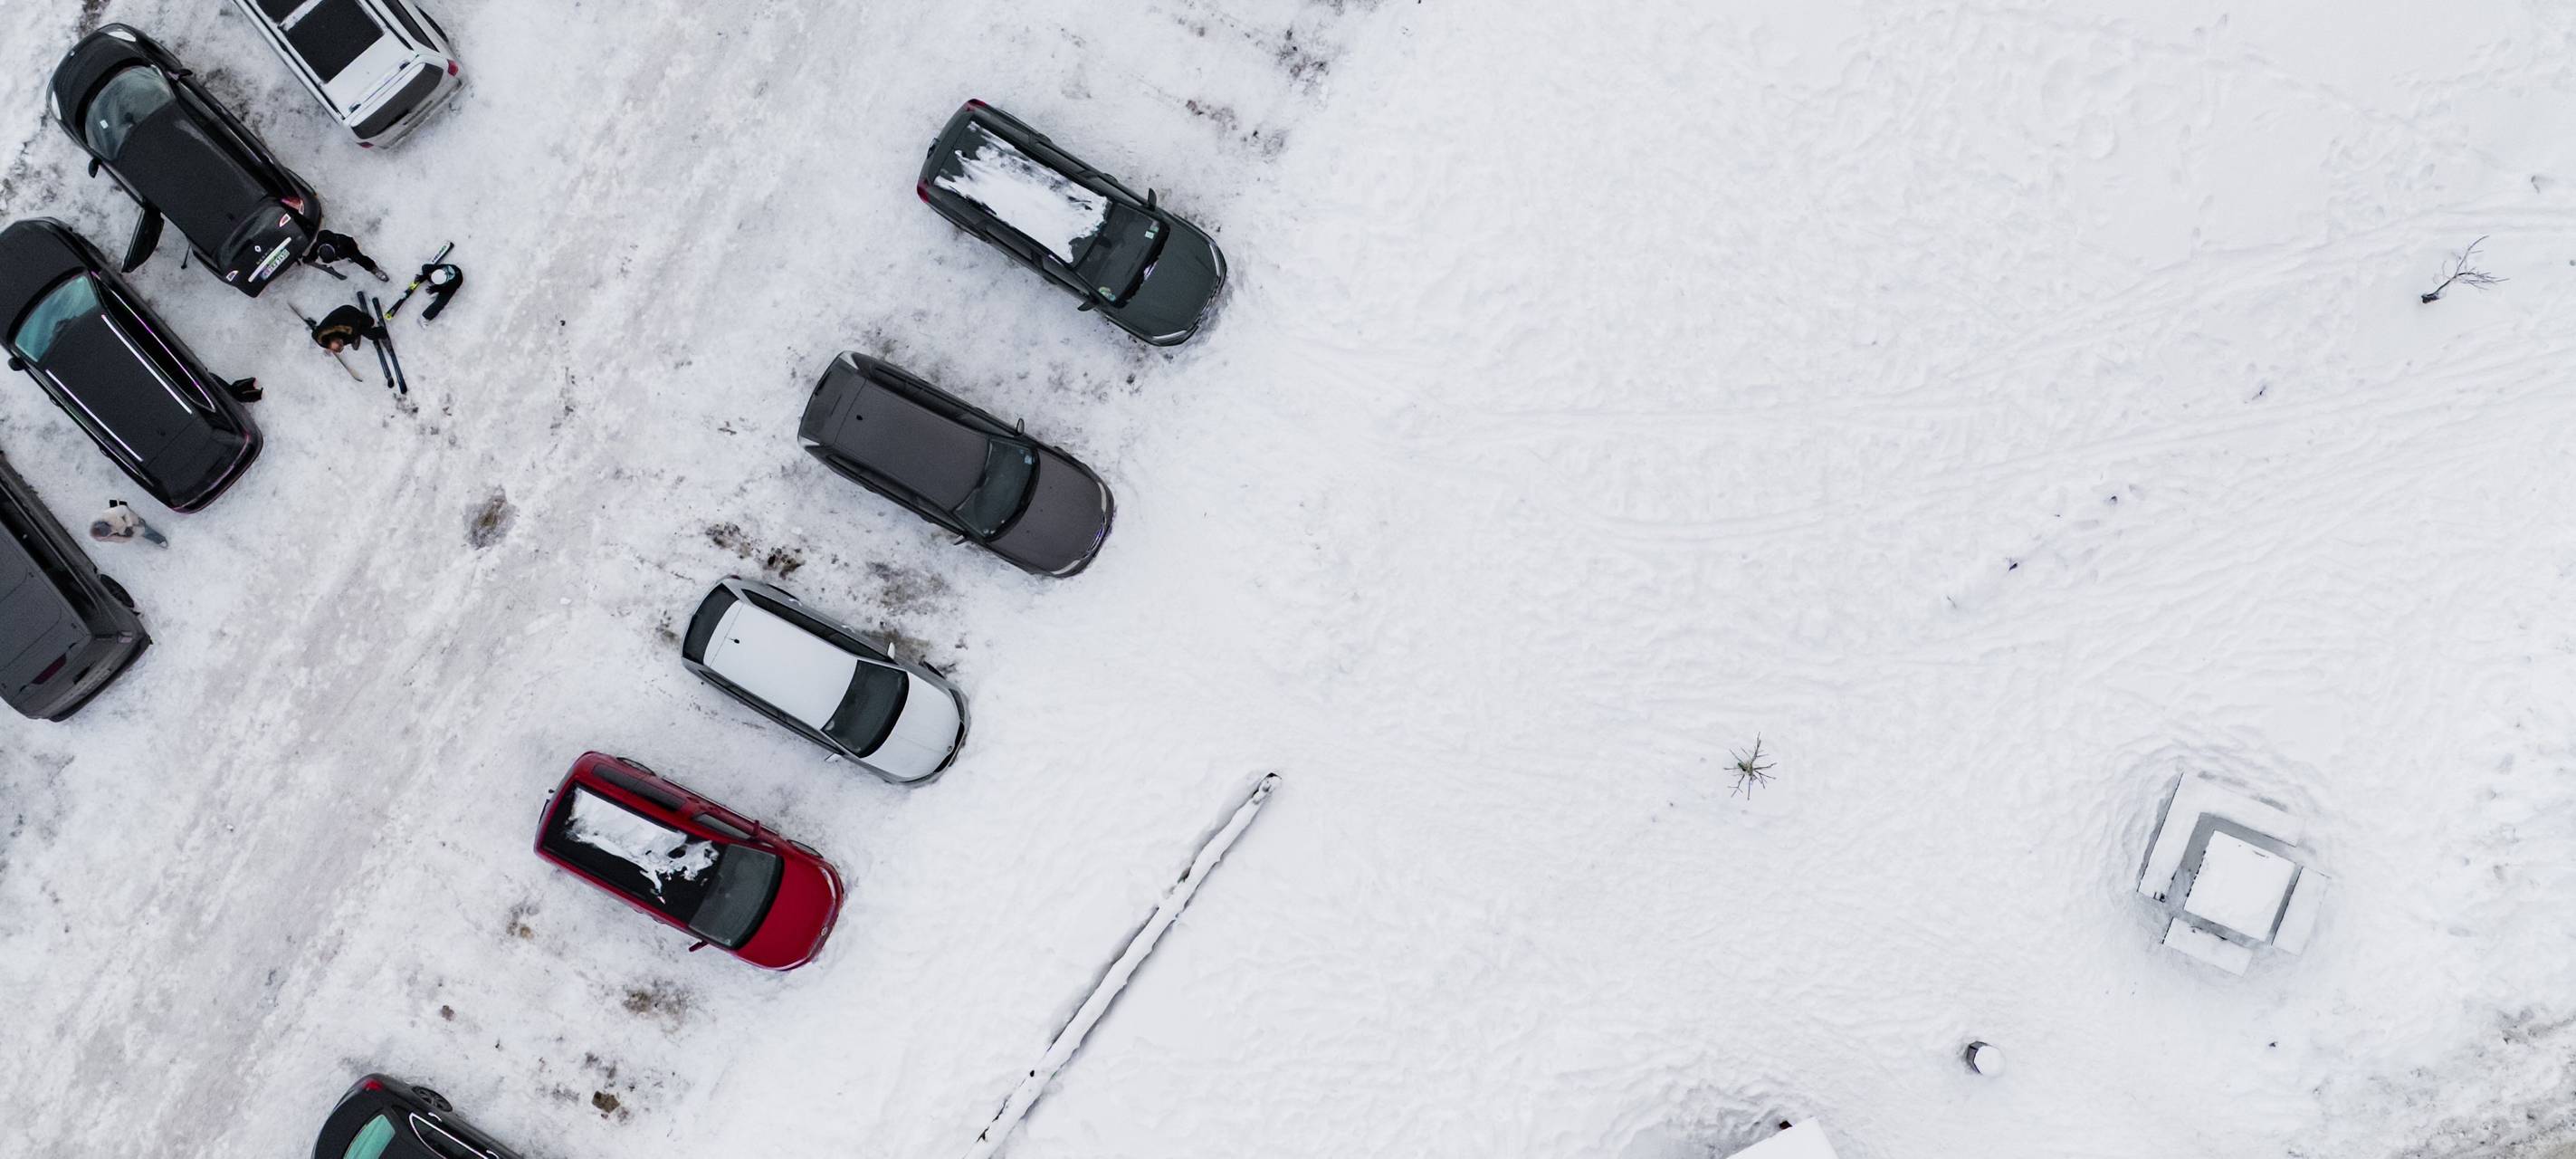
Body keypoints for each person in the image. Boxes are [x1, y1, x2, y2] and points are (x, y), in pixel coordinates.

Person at [304, 230, 388, 282]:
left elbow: (352, 245)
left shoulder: (344, 242)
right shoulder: (318, 245)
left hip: (348, 249)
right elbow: (314, 251)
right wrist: (309, 258)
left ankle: (374, 269)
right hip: (337, 253)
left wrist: (354, 254)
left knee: (359, 259)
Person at [310, 303, 383, 354]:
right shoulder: (323, 341)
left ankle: (382, 332)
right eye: (342, 345)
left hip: (349, 312)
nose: (342, 345)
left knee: (371, 327)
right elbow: (315, 334)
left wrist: (365, 323)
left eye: (341, 343)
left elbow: (356, 324)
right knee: (350, 337)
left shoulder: (344, 326)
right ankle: (355, 338)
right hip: (345, 329)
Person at [90, 501, 167, 548]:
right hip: (132, 532)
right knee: (142, 533)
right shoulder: (104, 537)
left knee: (146, 530)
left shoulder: (109, 515)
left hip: (134, 521)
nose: (109, 531)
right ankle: (152, 536)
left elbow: (124, 508)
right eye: (106, 533)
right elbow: (117, 539)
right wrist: (128, 537)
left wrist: (128, 525)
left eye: (106, 529)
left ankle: (159, 539)